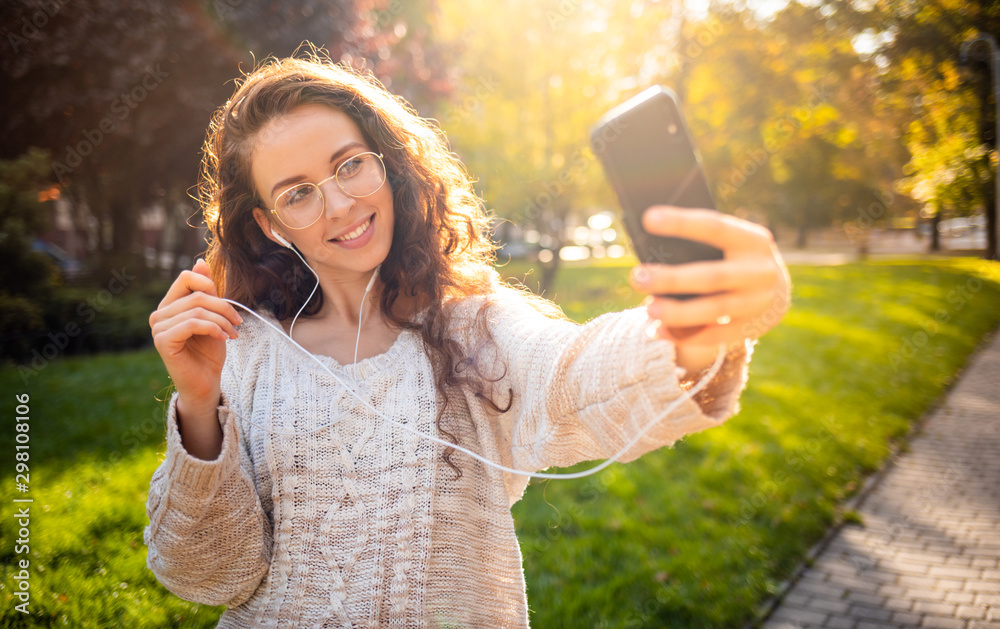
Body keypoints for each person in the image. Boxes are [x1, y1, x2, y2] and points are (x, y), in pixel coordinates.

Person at [144, 52, 790, 628]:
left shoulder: (474, 331)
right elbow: (209, 577)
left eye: (349, 166)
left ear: (388, 165)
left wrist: (705, 324)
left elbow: (576, 373)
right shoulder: (247, 353)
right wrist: (200, 406)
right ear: (269, 222)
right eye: (299, 193)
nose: (339, 203)